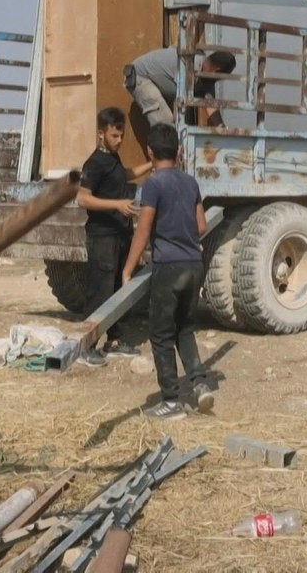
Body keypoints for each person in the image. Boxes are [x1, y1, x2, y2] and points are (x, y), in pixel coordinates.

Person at [121, 123, 214, 420]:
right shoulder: (190, 182)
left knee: (161, 335)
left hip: (169, 268)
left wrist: (128, 268)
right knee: (184, 328)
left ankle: (172, 402)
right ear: (177, 151)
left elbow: (144, 229)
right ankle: (200, 384)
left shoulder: (153, 184)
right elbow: (201, 226)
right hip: (193, 265)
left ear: (150, 152)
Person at [77, 107, 154, 367]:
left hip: (120, 234)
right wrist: (116, 205)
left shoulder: (113, 159)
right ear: (101, 134)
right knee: (100, 290)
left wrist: (152, 165)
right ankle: (86, 346)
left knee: (118, 289)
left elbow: (125, 175)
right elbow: (83, 198)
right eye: (114, 136)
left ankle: (115, 339)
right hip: (102, 237)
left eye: (121, 136)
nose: (119, 141)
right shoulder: (95, 163)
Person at [125, 46, 236, 128]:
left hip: (158, 81)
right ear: (216, 70)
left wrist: (222, 128)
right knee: (165, 122)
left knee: (176, 125)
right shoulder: (187, 63)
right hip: (140, 76)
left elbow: (210, 104)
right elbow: (180, 102)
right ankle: (164, 157)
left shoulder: (206, 75)